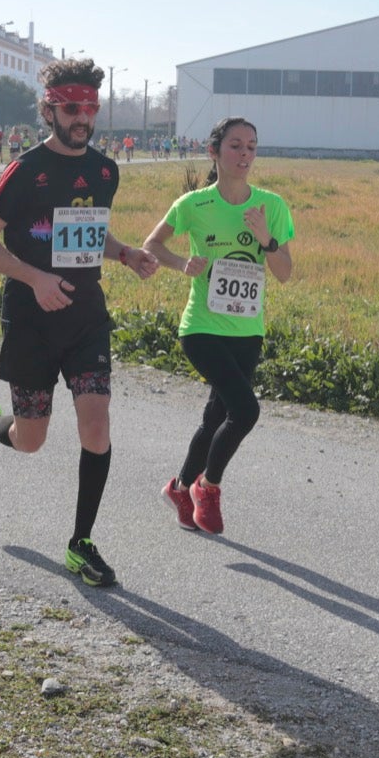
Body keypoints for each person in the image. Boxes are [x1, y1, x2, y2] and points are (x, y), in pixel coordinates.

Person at [0, 57, 158, 587]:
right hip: (32, 319)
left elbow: (88, 231)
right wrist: (34, 279)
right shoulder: (24, 171)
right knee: (31, 440)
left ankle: (80, 543)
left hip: (86, 316)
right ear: (48, 110)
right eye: (71, 108)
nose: (82, 118)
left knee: (97, 426)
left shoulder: (106, 171)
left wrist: (125, 254)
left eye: (90, 107)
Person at [140, 117, 294, 535]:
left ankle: (179, 488)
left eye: (252, 146)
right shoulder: (193, 205)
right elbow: (152, 244)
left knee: (216, 418)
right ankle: (207, 487)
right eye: (235, 145)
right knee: (245, 411)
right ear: (214, 152)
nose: (245, 154)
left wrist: (266, 239)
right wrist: (181, 263)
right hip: (201, 328)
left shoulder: (271, 206)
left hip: (247, 331)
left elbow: (284, 273)